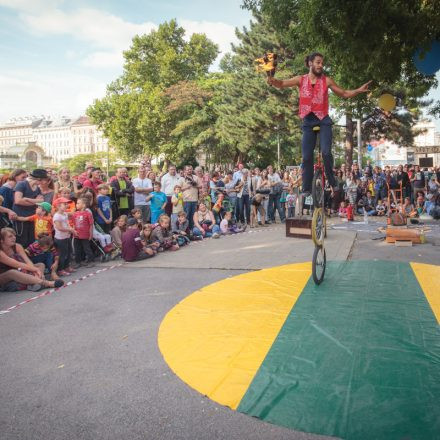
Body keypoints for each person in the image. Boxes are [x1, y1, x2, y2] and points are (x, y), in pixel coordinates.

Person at [268, 52, 371, 196]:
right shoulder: (300, 79)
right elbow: (281, 84)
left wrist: (358, 90)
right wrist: (271, 79)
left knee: (326, 152)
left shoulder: (327, 81)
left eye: (322, 63)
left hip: (323, 120)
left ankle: (332, 180)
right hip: (308, 121)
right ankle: (306, 188)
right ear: (310, 63)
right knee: (306, 156)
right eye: (318, 62)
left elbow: (344, 93)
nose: (320, 65)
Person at [13, 169, 46, 247]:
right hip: (20, 217)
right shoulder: (22, 184)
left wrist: (27, 199)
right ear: (39, 179)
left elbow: (41, 201)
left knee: (31, 240)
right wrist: (35, 201)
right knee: (21, 240)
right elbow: (17, 200)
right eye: (44, 180)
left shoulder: (37, 188)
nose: (45, 182)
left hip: (32, 217)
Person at [53, 197, 75, 276]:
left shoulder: (65, 214)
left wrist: (71, 229)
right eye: (64, 204)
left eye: (67, 204)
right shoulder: (57, 216)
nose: (67, 205)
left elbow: (67, 224)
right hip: (60, 239)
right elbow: (59, 228)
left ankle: (66, 266)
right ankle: (60, 269)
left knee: (69, 252)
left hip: (66, 237)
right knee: (62, 254)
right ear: (58, 206)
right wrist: (70, 230)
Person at [72, 197, 95, 267]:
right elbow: (73, 224)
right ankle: (78, 262)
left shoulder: (88, 214)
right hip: (77, 235)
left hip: (85, 235)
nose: (76, 205)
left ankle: (91, 261)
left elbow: (91, 225)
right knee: (77, 249)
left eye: (78, 203)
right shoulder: (75, 214)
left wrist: (91, 234)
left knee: (87, 248)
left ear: (84, 205)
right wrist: (73, 232)